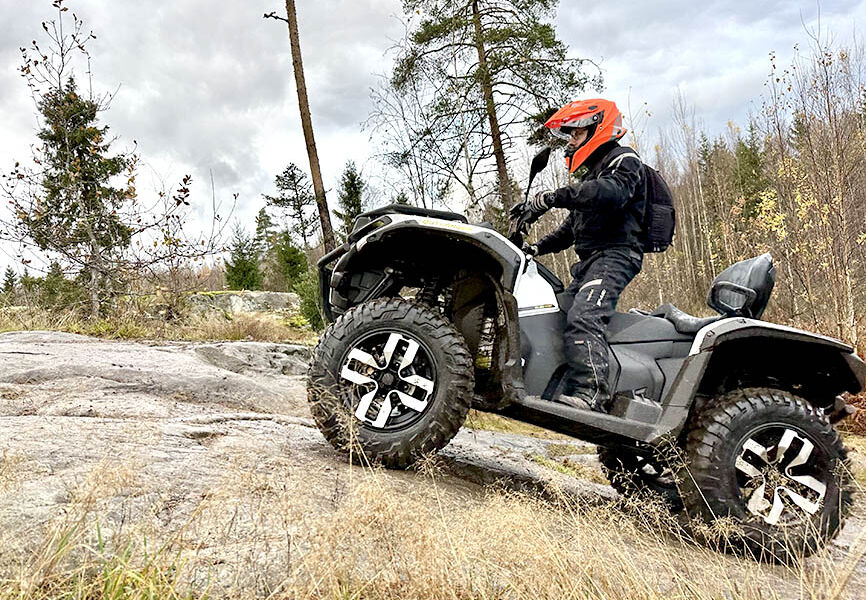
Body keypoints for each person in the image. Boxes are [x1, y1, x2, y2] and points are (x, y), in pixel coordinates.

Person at [521, 98, 646, 412]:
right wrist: (535, 248)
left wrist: (553, 197)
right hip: (591, 261)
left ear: (598, 129)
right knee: (559, 312)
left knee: (584, 316)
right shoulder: (592, 178)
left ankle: (592, 395)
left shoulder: (624, 160)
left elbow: (612, 193)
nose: (571, 143)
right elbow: (570, 230)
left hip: (616, 256)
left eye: (576, 135)